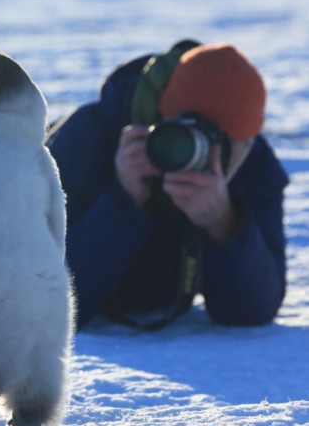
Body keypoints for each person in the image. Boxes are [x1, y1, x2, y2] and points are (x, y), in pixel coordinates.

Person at [46, 40, 289, 330]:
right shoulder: (86, 140)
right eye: (178, 135)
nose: (194, 155)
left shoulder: (253, 163)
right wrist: (124, 200)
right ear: (159, 116)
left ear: (246, 144)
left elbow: (254, 311)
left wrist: (223, 222)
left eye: (222, 148)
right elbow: (44, 303)